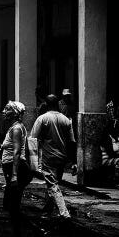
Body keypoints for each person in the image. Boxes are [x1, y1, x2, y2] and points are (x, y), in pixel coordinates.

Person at [30, 94, 76, 224]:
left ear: (46, 104)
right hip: (62, 157)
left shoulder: (42, 118)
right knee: (55, 183)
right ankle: (48, 208)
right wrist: (73, 161)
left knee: (52, 185)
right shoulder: (66, 120)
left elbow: (33, 140)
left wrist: (32, 161)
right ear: (58, 104)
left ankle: (64, 212)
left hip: (48, 157)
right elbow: (72, 142)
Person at [0, 101, 34, 237]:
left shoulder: (17, 129)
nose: (4, 111)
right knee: (10, 205)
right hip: (13, 170)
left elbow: (17, 153)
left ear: (15, 112)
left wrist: (13, 176)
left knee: (13, 207)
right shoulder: (13, 128)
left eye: (7, 109)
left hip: (18, 170)